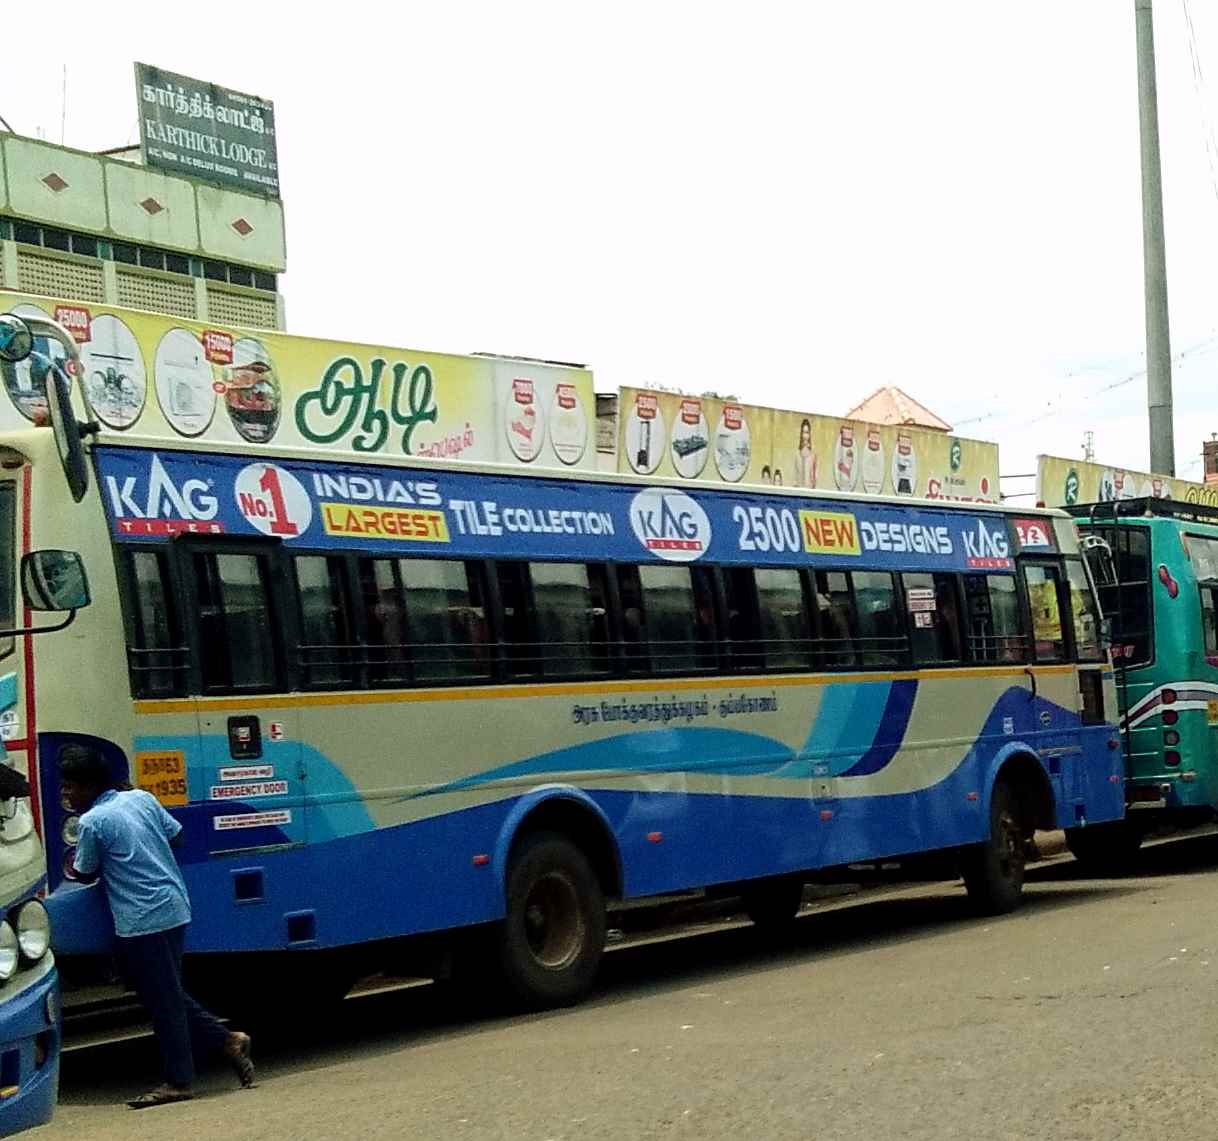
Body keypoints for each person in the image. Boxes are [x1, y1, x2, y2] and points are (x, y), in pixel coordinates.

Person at [61, 743, 254, 1109]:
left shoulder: (91, 822)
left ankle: (181, 1079)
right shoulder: (141, 799)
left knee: (164, 1001)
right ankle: (227, 1039)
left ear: (89, 787)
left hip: (140, 919)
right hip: (173, 905)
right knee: (163, 992)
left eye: (71, 787)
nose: (67, 795)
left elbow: (84, 872)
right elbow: (176, 835)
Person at [796, 419, 817, 488]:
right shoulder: (797, 454)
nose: (805, 436)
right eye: (803, 432)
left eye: (807, 432)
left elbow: (815, 478)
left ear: (810, 434)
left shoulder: (813, 455)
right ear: (801, 434)